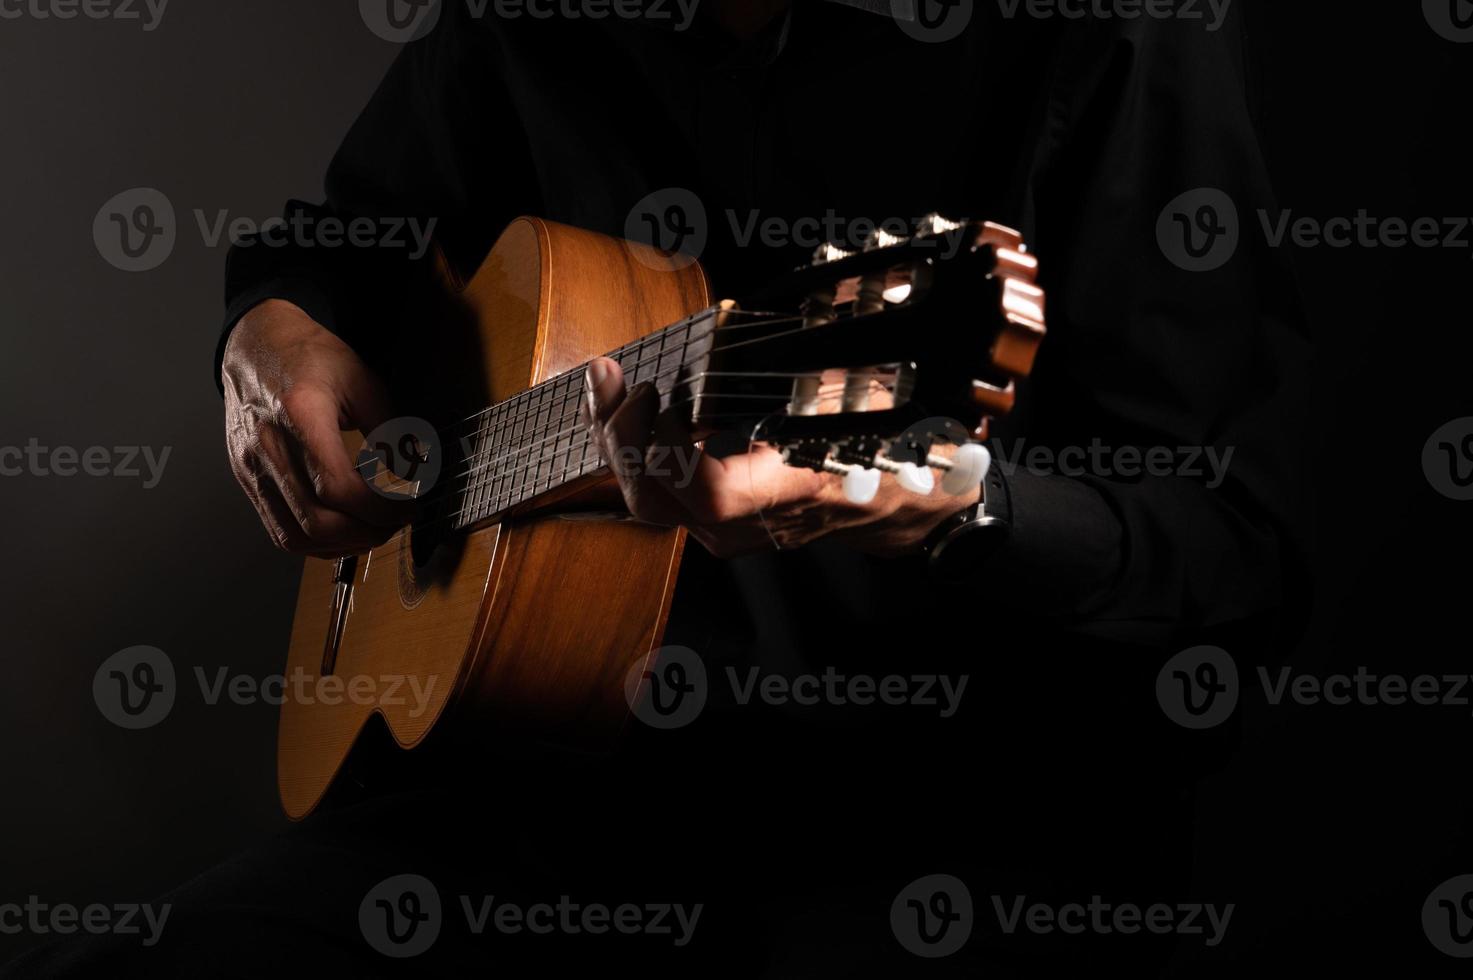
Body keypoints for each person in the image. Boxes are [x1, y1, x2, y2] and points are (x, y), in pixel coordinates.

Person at [6, 1, 1309, 975]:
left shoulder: (1104, 39)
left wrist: (951, 508)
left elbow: (1231, 553)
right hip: (516, 800)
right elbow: (331, 247)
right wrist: (268, 338)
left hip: (927, 834)